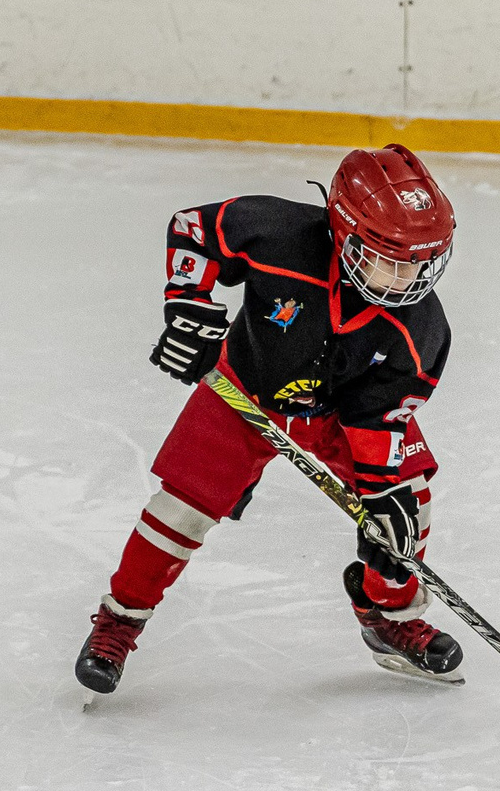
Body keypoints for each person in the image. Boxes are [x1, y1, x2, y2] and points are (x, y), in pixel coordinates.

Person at [75, 145, 462, 696]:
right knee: (179, 510)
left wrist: (381, 496)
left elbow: (379, 419)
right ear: (345, 234)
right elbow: (194, 228)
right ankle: (119, 620)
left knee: (406, 508)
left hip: (337, 419)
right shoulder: (278, 234)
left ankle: (388, 615)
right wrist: (188, 303)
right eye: (392, 260)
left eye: (421, 262)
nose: (409, 280)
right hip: (244, 394)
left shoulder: (418, 332)